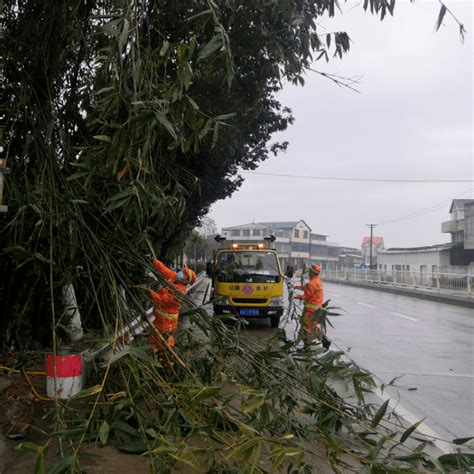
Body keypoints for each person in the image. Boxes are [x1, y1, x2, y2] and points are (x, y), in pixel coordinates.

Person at [147, 259, 196, 360]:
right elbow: (163, 270)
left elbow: (163, 300)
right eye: (183, 271)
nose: (181, 273)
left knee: (163, 344)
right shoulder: (175, 277)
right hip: (160, 319)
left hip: (167, 322)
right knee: (155, 340)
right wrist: (153, 260)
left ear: (186, 281)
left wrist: (150, 292)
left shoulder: (179, 292)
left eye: (184, 274)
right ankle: (154, 360)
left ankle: (166, 365)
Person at [294, 264, 331, 350]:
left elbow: (306, 296)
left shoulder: (311, 283)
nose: (308, 273)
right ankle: (321, 340)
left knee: (306, 327)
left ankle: (307, 345)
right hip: (316, 309)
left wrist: (296, 296)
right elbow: (309, 288)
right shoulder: (317, 281)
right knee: (310, 327)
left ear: (312, 272)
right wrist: (297, 286)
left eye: (309, 271)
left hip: (310, 310)